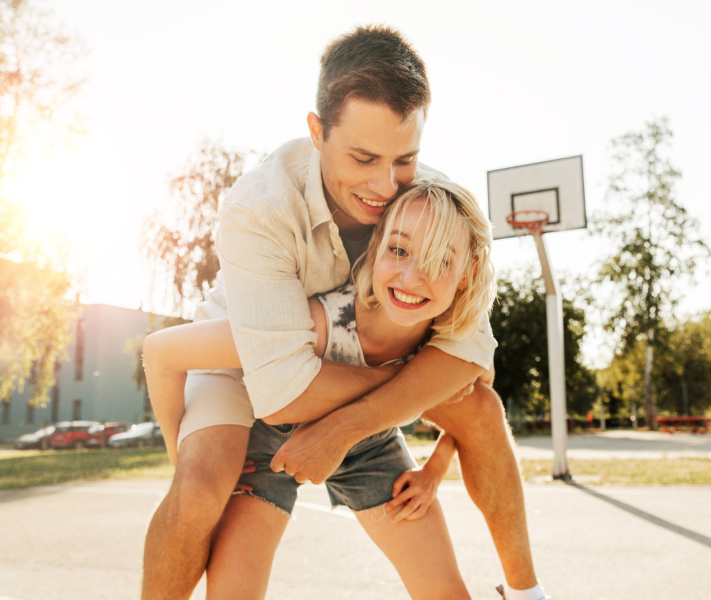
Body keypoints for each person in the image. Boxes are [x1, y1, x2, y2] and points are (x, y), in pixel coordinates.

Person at [141, 25, 549, 600]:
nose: (386, 185)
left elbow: (467, 352)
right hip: (253, 363)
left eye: (405, 159)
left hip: (352, 379)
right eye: (363, 157)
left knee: (479, 408)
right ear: (317, 132)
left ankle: (526, 590)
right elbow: (280, 388)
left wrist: (371, 438)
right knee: (201, 485)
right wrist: (400, 384)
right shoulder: (260, 206)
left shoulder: (428, 207)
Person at [145, 179, 493, 598]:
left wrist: (435, 469)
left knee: (445, 592)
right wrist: (178, 454)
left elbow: (467, 406)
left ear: (467, 274)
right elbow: (163, 351)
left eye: (440, 262)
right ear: (377, 245)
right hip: (271, 444)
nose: (412, 277)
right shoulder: (317, 320)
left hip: (369, 441)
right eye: (399, 250)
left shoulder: (454, 341)